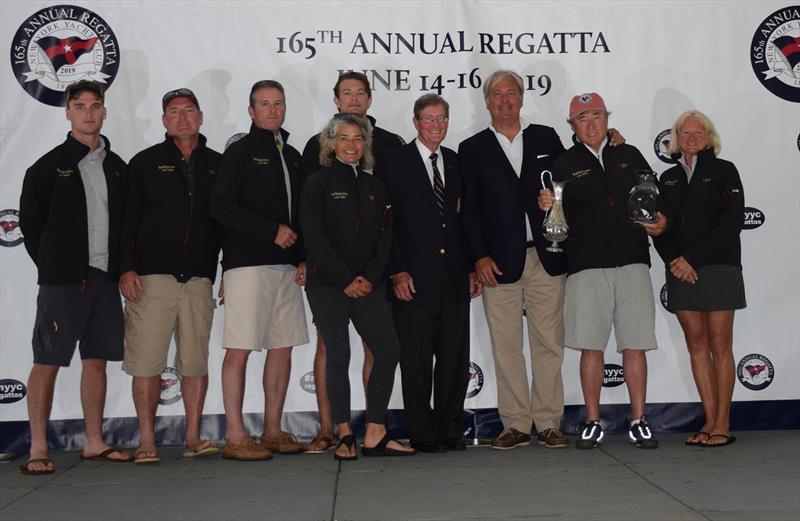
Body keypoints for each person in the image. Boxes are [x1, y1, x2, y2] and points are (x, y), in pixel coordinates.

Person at [539, 92, 668, 449]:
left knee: (635, 345)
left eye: (596, 116)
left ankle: (639, 420)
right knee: (590, 347)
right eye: (583, 119)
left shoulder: (629, 155)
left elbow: (655, 199)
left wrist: (661, 220)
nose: (591, 124)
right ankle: (592, 421)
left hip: (632, 262)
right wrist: (547, 204)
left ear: (607, 119)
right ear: (573, 127)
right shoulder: (563, 164)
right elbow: (555, 216)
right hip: (585, 266)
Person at [18, 80, 132, 474]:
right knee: (46, 361)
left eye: (95, 105)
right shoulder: (46, 168)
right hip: (64, 281)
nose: (88, 113)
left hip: (105, 280)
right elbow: (32, 231)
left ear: (104, 111)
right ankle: (37, 448)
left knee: (96, 361)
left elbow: (126, 226)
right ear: (68, 112)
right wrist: (59, 266)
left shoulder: (118, 168)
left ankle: (94, 441)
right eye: (79, 106)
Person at [459, 70, 576, 450]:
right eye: (497, 94)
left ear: (522, 99)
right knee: (506, 345)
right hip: (498, 263)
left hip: (546, 257)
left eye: (512, 93)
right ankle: (514, 423)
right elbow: (469, 211)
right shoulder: (472, 148)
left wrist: (556, 198)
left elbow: (568, 186)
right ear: (487, 101)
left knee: (548, 342)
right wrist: (477, 257)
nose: (505, 100)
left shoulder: (546, 137)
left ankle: (548, 422)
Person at [299, 113, 416, 460]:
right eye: (344, 138)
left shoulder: (375, 186)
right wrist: (345, 279)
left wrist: (368, 277)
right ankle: (345, 433)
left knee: (389, 349)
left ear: (365, 145)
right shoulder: (317, 183)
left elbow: (385, 238)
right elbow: (315, 238)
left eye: (358, 138)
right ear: (331, 143)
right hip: (327, 285)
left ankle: (376, 430)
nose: (351, 145)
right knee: (339, 354)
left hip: (368, 285)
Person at [119, 88, 222, 463]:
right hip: (151, 279)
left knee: (194, 362)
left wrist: (227, 270)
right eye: (174, 112)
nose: (182, 117)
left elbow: (225, 223)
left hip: (198, 279)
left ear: (200, 116)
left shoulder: (218, 163)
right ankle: (146, 439)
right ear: (164, 121)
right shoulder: (143, 163)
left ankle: (193, 437)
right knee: (146, 362)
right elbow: (126, 220)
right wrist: (125, 269)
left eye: (189, 110)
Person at [376, 94, 481, 453]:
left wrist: (470, 267)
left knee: (453, 359)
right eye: (429, 119)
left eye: (442, 119)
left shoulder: (454, 162)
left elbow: (463, 221)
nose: (436, 125)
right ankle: (421, 431)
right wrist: (396, 272)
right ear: (416, 122)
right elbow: (385, 226)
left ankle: (450, 429)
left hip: (453, 278)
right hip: (412, 280)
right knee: (417, 360)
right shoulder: (393, 163)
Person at [211, 80, 309, 461]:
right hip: (247, 265)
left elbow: (300, 215)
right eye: (264, 104)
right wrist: (272, 231)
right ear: (251, 111)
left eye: (278, 103)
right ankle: (235, 436)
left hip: (286, 268)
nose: (272, 110)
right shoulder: (238, 153)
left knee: (282, 349)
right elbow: (220, 206)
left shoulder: (294, 155)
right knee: (239, 350)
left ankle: (271, 429)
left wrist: (302, 255)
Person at [654, 110, 745, 448]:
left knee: (720, 345)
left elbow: (731, 222)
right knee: (696, 346)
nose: (691, 137)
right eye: (684, 132)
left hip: (719, 267)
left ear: (709, 137)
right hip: (680, 269)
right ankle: (709, 421)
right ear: (676, 138)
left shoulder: (724, 171)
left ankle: (723, 423)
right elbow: (659, 227)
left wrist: (690, 258)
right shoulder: (667, 179)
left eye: (698, 132)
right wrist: (675, 260)